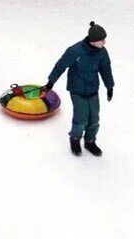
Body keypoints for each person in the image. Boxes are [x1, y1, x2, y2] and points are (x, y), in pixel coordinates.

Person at [45, 22, 115, 157]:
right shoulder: (75, 51)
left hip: (93, 89)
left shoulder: (102, 52)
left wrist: (109, 86)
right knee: (81, 118)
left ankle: (90, 141)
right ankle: (75, 138)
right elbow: (60, 66)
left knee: (94, 119)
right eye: (102, 40)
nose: (104, 42)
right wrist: (51, 82)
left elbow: (106, 69)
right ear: (93, 41)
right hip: (77, 90)